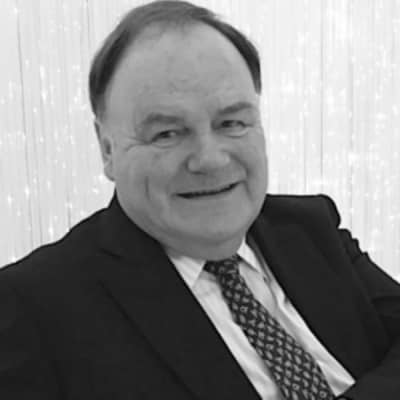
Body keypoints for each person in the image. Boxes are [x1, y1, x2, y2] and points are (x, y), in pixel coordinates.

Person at [1, 1, 399, 399]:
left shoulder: (309, 226)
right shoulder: (33, 306)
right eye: (167, 133)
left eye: (231, 123)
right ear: (107, 149)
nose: (210, 159)